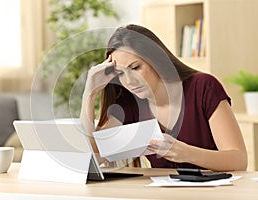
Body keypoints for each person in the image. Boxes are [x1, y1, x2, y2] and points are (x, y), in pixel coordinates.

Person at [80, 24, 247, 171]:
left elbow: (239, 160)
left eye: (135, 68)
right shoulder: (129, 102)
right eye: (120, 73)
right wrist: (90, 94)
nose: (129, 81)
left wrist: (187, 153)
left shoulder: (203, 87)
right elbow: (93, 157)